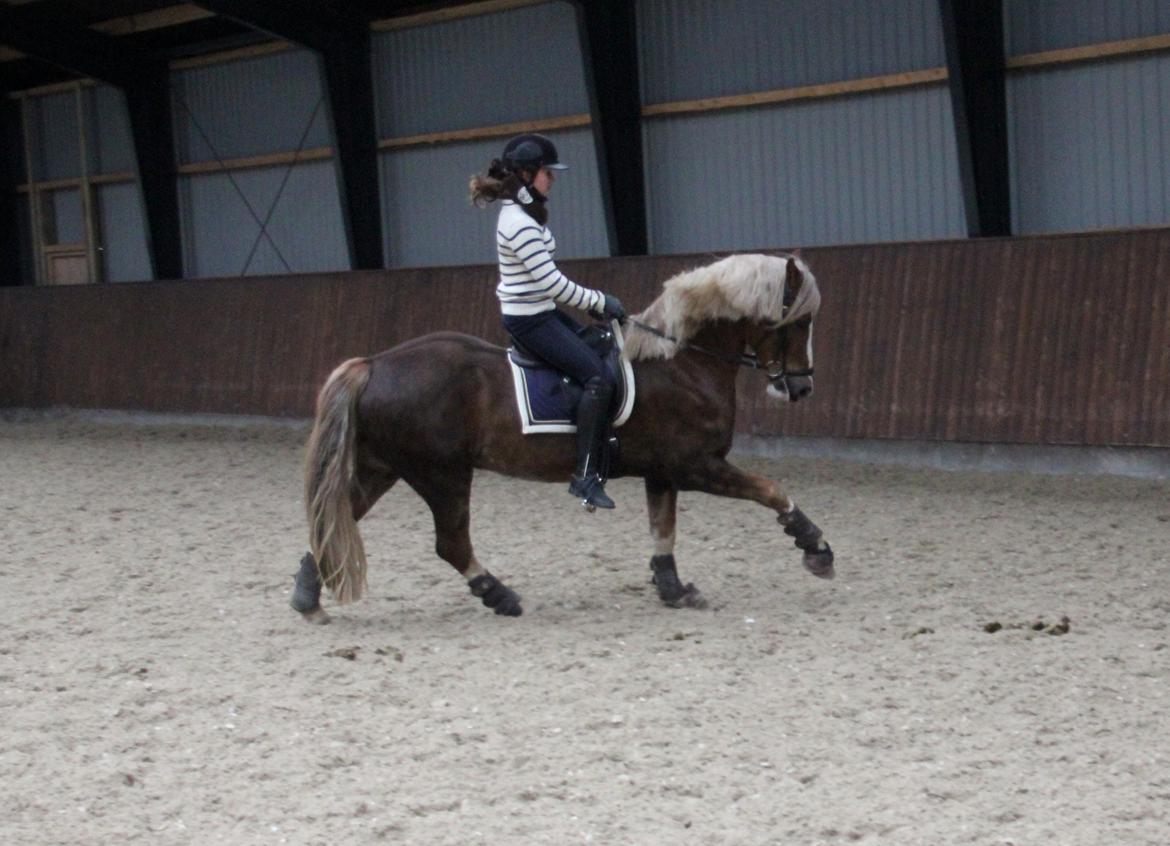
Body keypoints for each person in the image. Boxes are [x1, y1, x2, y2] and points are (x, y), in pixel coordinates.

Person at [469, 133, 626, 510]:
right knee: (597, 378)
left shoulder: (526, 213)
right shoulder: (518, 223)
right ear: (525, 175)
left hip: (540, 310)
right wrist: (599, 300)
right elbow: (551, 283)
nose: (551, 179)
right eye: (546, 173)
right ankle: (586, 476)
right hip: (530, 320)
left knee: (602, 346)